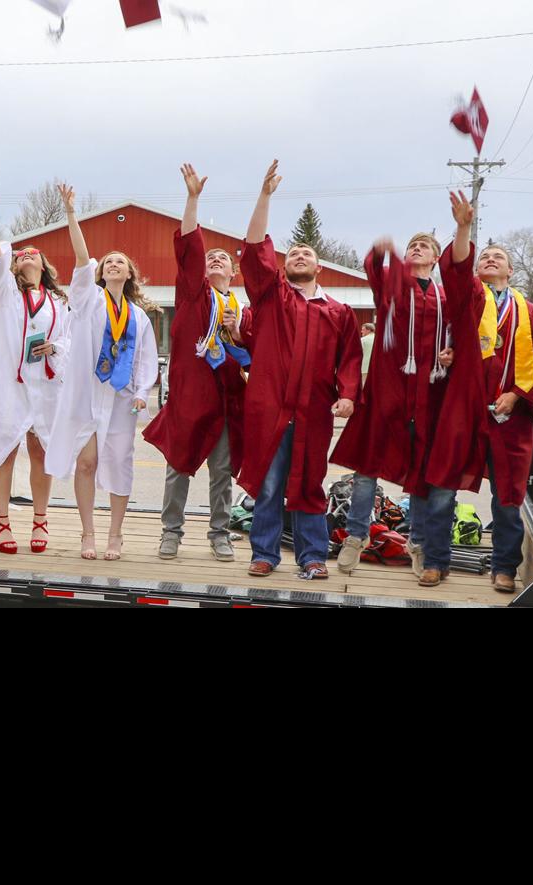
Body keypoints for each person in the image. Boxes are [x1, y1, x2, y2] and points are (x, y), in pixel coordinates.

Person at [329, 192, 482, 586]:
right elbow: (377, 275)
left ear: (435, 258)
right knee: (367, 467)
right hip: (388, 393)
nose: (416, 249)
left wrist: (451, 354)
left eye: (424, 246)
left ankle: (416, 543)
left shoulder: (449, 298)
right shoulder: (395, 288)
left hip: (429, 398)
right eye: (411, 245)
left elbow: (462, 333)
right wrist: (381, 252)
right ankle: (357, 536)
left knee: (422, 474)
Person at [231, 161, 362, 579]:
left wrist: (347, 394)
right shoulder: (272, 298)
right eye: (294, 253)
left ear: (320, 267)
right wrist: (265, 196)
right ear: (283, 267)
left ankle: (311, 557)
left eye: (309, 252)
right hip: (270, 407)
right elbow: (253, 249)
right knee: (269, 483)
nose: (301, 254)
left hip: (312, 410)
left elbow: (350, 359)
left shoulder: (338, 312)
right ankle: (264, 553)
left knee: (310, 482)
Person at [43, 183, 156, 561]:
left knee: (120, 464)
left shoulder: (139, 317)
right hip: (89, 394)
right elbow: (80, 258)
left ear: (130, 273)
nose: (112, 265)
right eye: (107, 262)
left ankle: (116, 534)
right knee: (87, 461)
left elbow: (145, 358)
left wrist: (142, 391)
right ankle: (87, 533)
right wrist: (72, 214)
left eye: (119, 262)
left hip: (123, 399)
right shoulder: (88, 302)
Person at [143, 162, 249, 562]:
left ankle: (219, 532)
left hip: (225, 401)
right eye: (211, 258)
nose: (216, 260)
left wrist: (238, 331)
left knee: (222, 472)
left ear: (235, 272)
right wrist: (192, 199)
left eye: (224, 258)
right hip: (190, 398)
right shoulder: (193, 294)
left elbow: (253, 355)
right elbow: (189, 244)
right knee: (179, 468)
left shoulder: (240, 308)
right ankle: (171, 532)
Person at [0, 189, 73, 554]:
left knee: (41, 451)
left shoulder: (59, 302)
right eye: (20, 253)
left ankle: (40, 519)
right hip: (9, 385)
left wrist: (55, 347)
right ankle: (1, 519)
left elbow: (71, 339)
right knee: (5, 450)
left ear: (44, 265)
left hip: (45, 383)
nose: (25, 254)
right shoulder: (4, 293)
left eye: (33, 253)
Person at [470, 244, 533, 593]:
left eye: (498, 257)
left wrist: (517, 395)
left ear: (511, 271)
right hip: (466, 412)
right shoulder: (467, 304)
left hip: (510, 417)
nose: (490, 259)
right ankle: (435, 559)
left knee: (508, 496)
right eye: (484, 257)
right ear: (475, 271)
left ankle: (504, 567)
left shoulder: (528, 311)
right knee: (441, 487)